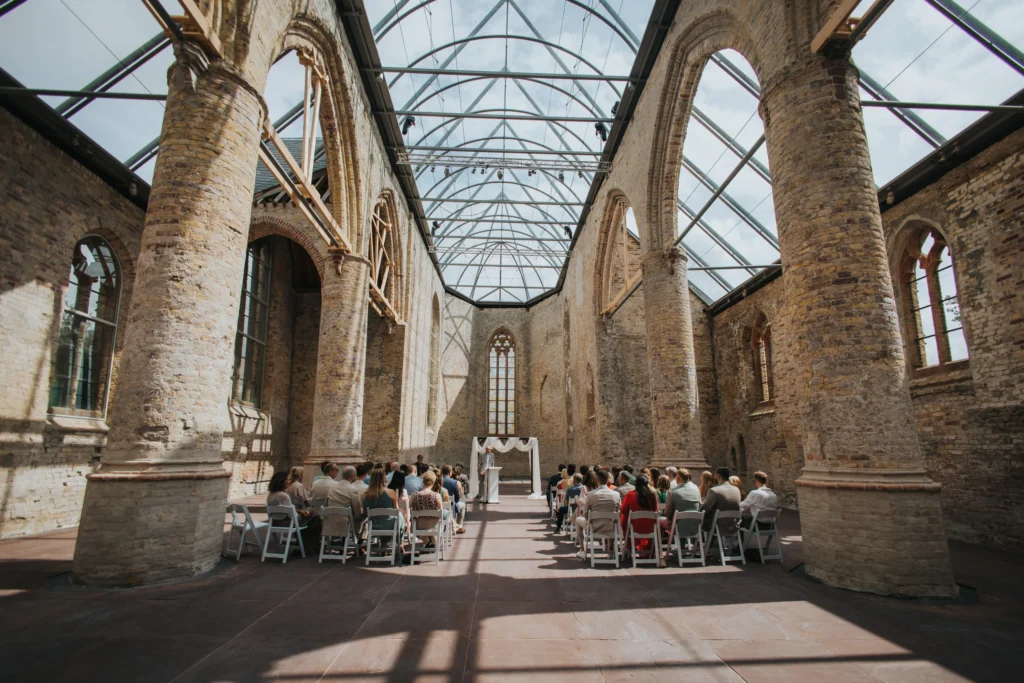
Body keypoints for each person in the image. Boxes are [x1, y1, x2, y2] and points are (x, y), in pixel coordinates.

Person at [575, 469, 621, 558]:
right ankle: (610, 551)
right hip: (611, 527)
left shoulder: (591, 494)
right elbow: (618, 510)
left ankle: (582, 549)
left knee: (578, 521)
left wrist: (590, 521)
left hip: (595, 526)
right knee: (611, 520)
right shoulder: (616, 494)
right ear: (608, 480)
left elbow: (585, 513)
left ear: (597, 480)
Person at [620, 474, 659, 557]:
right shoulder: (652, 495)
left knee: (624, 520)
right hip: (649, 527)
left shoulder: (630, 495)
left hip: (634, 527)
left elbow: (623, 510)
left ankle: (630, 546)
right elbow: (655, 510)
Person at [660, 468, 702, 539]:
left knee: (658, 519)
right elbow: (700, 505)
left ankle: (659, 546)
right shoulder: (696, 489)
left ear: (678, 478)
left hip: (678, 527)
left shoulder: (673, 492)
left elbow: (668, 514)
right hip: (695, 526)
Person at [700, 467, 741, 533]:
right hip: (733, 524)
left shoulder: (714, 490)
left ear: (718, 476)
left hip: (718, 525)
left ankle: (698, 542)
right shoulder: (736, 489)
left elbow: (704, 509)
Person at [362, 467, 401, 534]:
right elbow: (396, 510)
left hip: (373, 525)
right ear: (383, 478)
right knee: (400, 516)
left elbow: (365, 513)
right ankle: (400, 540)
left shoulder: (365, 494)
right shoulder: (391, 492)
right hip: (390, 525)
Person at [410, 470, 443, 537]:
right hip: (434, 526)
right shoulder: (437, 496)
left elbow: (409, 508)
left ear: (423, 481)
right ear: (433, 482)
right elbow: (441, 512)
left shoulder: (414, 496)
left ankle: (427, 540)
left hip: (419, 526)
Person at [441, 465, 466, 534]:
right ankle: (459, 524)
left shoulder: (438, 480)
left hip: (439, 505)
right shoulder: (454, 482)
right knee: (463, 505)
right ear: (450, 472)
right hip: (450, 505)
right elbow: (457, 498)